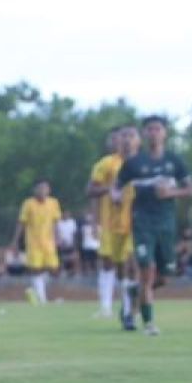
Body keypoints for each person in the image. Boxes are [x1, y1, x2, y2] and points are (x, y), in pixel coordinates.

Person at [115, 115, 192, 335]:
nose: (153, 133)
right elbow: (117, 186)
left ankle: (133, 293)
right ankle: (149, 324)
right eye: (149, 129)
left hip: (166, 223)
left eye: (157, 129)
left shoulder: (174, 161)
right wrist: (116, 196)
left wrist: (171, 192)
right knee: (147, 270)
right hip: (142, 222)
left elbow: (189, 189)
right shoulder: (133, 163)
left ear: (165, 133)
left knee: (163, 277)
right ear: (144, 134)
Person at [86, 125, 139, 328]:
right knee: (111, 265)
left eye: (127, 137)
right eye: (119, 138)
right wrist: (111, 189)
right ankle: (106, 306)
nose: (122, 141)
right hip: (110, 223)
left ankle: (127, 310)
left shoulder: (141, 164)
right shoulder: (106, 164)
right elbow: (91, 190)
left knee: (131, 264)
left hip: (136, 223)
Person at [11, 180, 61, 304]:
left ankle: (35, 290)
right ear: (35, 190)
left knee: (54, 269)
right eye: (40, 188)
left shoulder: (53, 203)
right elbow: (21, 223)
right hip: (33, 243)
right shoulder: (28, 204)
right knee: (36, 270)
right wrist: (15, 242)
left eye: (45, 188)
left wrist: (58, 237)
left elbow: (56, 222)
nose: (43, 191)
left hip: (49, 243)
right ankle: (41, 298)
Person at [55, 211, 79, 276]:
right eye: (64, 213)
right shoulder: (58, 223)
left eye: (67, 213)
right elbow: (56, 233)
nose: (66, 215)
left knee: (74, 257)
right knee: (61, 258)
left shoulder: (72, 222)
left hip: (70, 243)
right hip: (61, 244)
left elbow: (74, 234)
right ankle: (62, 271)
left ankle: (75, 272)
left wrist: (74, 244)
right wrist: (59, 242)